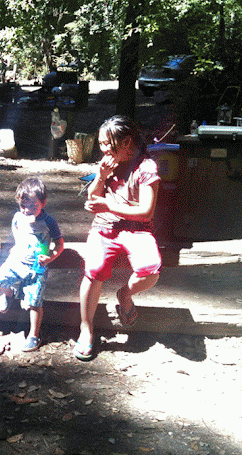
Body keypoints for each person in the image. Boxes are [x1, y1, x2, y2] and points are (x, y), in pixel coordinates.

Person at [74, 115, 161, 361]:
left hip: (137, 228)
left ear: (126, 142)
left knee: (150, 270)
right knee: (94, 270)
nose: (102, 149)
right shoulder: (107, 163)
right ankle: (86, 328)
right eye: (100, 143)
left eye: (106, 143)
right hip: (105, 226)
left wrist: (109, 206)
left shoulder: (146, 167)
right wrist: (101, 177)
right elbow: (93, 198)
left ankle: (124, 295)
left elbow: (146, 212)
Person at [0, 178, 64, 352]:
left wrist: (51, 257)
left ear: (43, 203)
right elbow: (16, 229)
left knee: (34, 302)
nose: (26, 210)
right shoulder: (18, 217)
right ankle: (9, 293)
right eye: (23, 205)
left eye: (32, 206)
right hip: (17, 262)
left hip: (36, 268)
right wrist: (17, 245)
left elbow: (60, 243)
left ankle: (33, 335)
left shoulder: (49, 222)